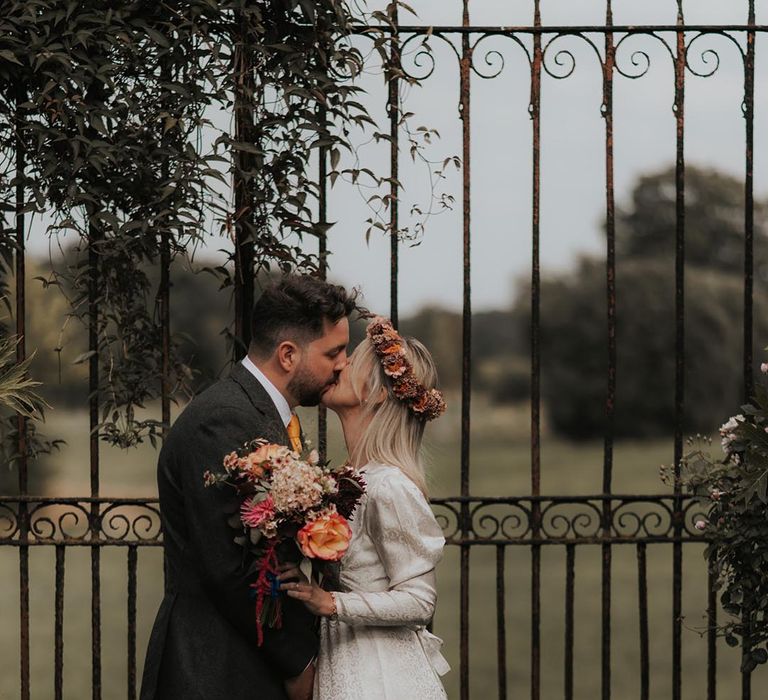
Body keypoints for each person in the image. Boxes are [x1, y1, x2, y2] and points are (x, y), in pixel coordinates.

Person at [140, 274, 360, 700]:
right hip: (216, 667)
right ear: (288, 354)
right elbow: (232, 566)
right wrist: (299, 662)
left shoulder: (261, 414)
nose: (343, 364)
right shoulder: (223, 419)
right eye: (334, 351)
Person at [278, 316, 450, 699]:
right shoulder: (352, 481)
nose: (339, 365)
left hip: (382, 678)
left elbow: (420, 600)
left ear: (377, 393)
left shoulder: (389, 485)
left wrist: (330, 602)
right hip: (343, 662)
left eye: (351, 360)